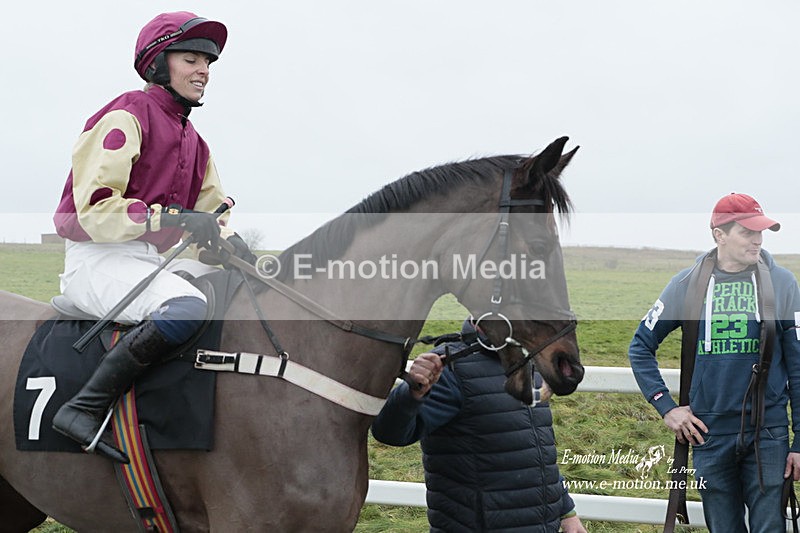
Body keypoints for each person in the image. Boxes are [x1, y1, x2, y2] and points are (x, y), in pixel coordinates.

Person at [51, 11, 255, 463]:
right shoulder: (125, 115)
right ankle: (84, 407)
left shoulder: (196, 143)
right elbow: (89, 211)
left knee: (241, 288)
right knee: (187, 307)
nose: (204, 69)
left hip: (149, 260)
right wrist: (175, 219)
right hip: (99, 258)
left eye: (208, 62)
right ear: (159, 63)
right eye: (191, 58)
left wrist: (231, 246)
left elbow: (209, 217)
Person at [628, 192, 800, 532]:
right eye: (747, 232)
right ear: (719, 234)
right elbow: (640, 346)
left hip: (768, 436)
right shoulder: (685, 284)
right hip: (708, 436)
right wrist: (667, 408)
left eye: (760, 232)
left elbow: (797, 366)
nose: (758, 240)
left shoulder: (783, 284)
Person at [371, 318, 587, 533]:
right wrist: (411, 392)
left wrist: (567, 512)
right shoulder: (450, 366)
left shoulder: (531, 362)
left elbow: (535, 453)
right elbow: (390, 433)